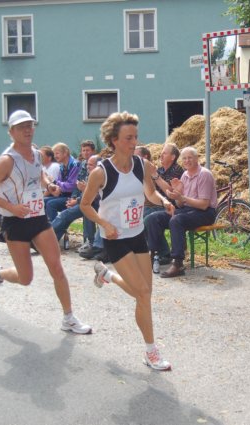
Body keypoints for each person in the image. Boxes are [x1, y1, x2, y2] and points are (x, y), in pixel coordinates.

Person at [0, 110, 91, 335]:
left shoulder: (37, 154)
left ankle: (68, 318)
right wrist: (12, 208)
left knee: (56, 267)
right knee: (25, 278)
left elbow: (39, 175)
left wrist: (48, 185)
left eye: (30, 125)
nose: (27, 130)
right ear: (11, 132)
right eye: (21, 127)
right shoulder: (7, 161)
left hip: (38, 217)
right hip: (15, 221)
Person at [80, 111, 174, 371]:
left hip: (137, 235)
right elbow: (85, 205)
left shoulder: (141, 165)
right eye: (128, 138)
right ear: (114, 140)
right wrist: (104, 223)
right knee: (142, 293)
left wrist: (163, 201)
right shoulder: (101, 173)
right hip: (115, 239)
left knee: (145, 294)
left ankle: (107, 276)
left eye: (135, 137)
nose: (134, 142)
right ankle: (151, 351)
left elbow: (150, 194)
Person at [145, 146, 217, 278]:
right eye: (184, 158)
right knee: (152, 218)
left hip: (206, 213)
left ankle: (178, 264)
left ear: (197, 159)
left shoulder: (204, 174)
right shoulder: (185, 175)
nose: (187, 161)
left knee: (176, 220)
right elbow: (180, 204)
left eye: (190, 158)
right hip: (188, 210)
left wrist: (182, 198)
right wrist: (175, 195)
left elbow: (203, 205)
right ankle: (153, 255)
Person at [144, 142, 184, 265]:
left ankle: (163, 253)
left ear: (173, 157)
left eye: (164, 153)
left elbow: (170, 191)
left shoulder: (177, 169)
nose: (161, 155)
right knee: (141, 213)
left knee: (148, 217)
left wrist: (155, 176)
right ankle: (157, 252)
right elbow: (153, 191)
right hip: (159, 205)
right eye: (161, 153)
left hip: (173, 207)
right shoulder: (160, 170)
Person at [49, 154, 100, 246]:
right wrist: (73, 198)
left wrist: (77, 200)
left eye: (91, 165)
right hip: (84, 202)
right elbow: (77, 187)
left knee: (68, 214)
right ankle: (50, 240)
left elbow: (96, 196)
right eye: (87, 164)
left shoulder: (100, 176)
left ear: (98, 166)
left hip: (96, 205)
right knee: (63, 214)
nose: (87, 166)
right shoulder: (87, 174)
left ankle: (90, 243)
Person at [44, 142, 82, 222]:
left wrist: (55, 182)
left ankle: (55, 227)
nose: (55, 156)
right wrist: (57, 186)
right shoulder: (62, 166)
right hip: (63, 194)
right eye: (54, 154)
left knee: (51, 204)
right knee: (43, 201)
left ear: (65, 153)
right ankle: (44, 226)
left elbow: (71, 186)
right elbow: (60, 184)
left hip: (73, 196)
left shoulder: (75, 165)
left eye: (57, 153)